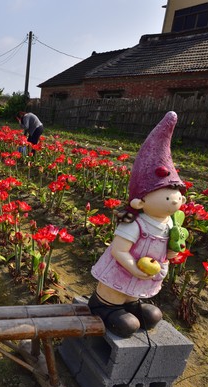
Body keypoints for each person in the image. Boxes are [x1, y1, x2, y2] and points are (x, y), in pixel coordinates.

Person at [88, 111, 186, 338]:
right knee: (127, 322)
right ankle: (103, 307)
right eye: (168, 193)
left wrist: (173, 249)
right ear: (139, 201)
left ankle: (131, 304)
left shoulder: (169, 223)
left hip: (142, 279)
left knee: (150, 315)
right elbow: (119, 250)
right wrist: (133, 268)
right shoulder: (135, 224)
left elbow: (169, 251)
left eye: (177, 192)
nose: (177, 198)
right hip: (121, 275)